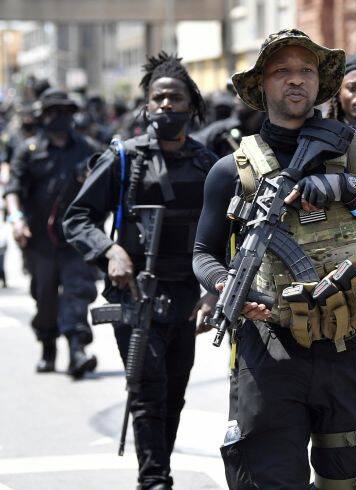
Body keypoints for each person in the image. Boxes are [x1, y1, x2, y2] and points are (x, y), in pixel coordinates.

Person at [192, 29, 356, 489]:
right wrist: (225, 285)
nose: (296, 80)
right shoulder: (231, 170)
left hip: (348, 343)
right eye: (282, 71)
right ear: (261, 85)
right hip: (269, 347)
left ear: (319, 82)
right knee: (270, 479)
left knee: (349, 480)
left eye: (306, 71)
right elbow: (203, 253)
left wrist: (349, 191)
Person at [63, 52, 218, 489]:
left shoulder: (208, 164)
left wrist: (213, 289)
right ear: (146, 105)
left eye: (175, 98)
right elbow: (77, 219)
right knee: (148, 392)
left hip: (186, 295)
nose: (166, 105)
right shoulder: (123, 159)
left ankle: (156, 473)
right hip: (135, 293)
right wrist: (110, 251)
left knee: (174, 393)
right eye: (158, 98)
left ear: (191, 105)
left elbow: (227, 232)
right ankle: (155, 481)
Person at [4, 88, 98, 378]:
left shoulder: (87, 148)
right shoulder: (29, 150)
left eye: (65, 111)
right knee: (44, 295)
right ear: (42, 116)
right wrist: (17, 220)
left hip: (77, 238)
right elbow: (13, 189)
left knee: (77, 291)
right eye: (53, 112)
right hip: (39, 241)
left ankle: (77, 350)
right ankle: (48, 347)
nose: (59, 117)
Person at [191, 95, 265, 158]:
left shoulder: (268, 132)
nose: (238, 97)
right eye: (236, 92)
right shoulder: (221, 130)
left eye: (247, 91)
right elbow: (193, 142)